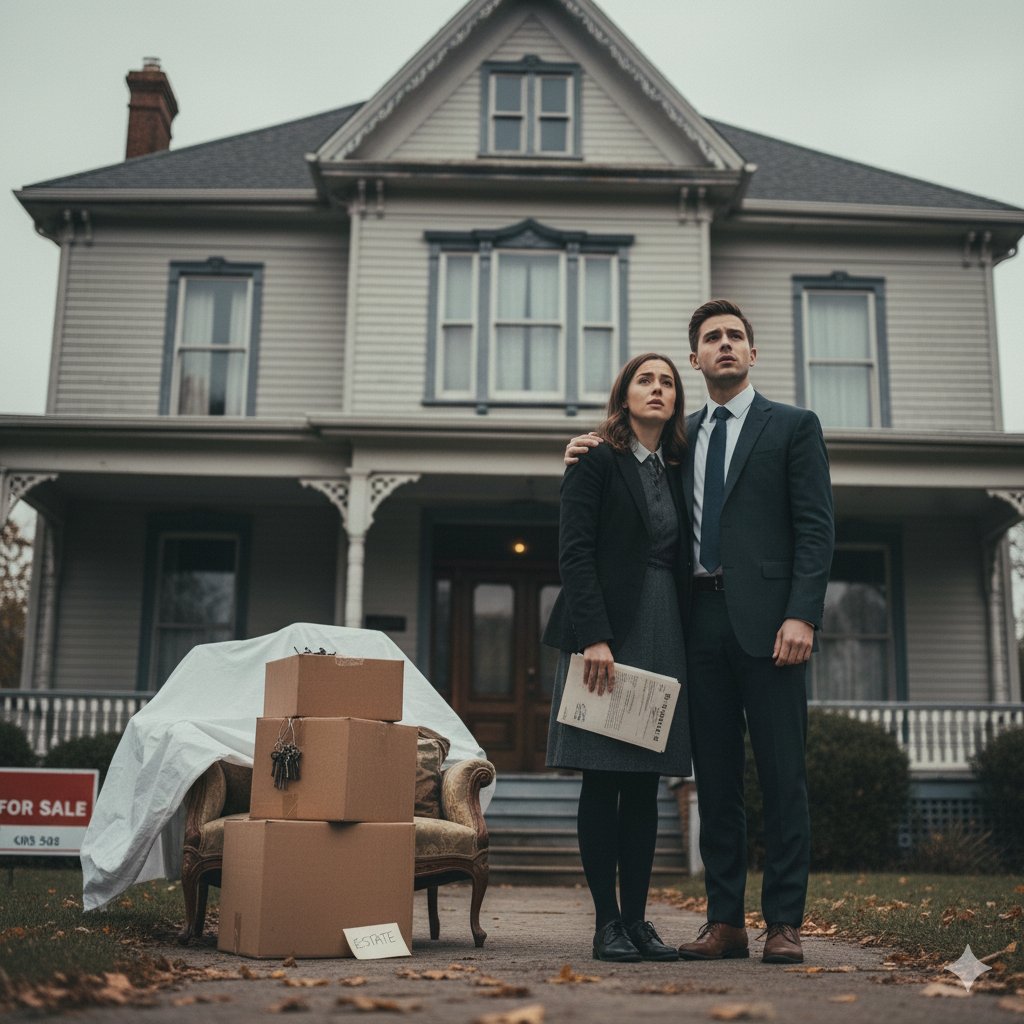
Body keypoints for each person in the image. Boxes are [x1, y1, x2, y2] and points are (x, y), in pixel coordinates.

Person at [565, 299, 834, 965]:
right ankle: (725, 922)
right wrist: (585, 443)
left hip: (774, 627)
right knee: (713, 783)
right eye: (711, 338)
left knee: (781, 777)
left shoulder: (793, 427)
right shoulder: (678, 440)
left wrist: (802, 613)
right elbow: (625, 480)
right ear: (695, 358)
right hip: (695, 624)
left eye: (735, 337)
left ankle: (782, 923)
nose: (723, 346)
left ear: (751, 352)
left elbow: (816, 526)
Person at [543, 352, 693, 964]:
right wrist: (595, 637)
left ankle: (636, 921)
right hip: (604, 631)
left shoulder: (680, 468)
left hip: (667, 628)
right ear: (623, 394)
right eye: (645, 380)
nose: (657, 389)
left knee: (646, 785)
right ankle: (606, 924)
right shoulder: (595, 459)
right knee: (603, 780)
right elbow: (575, 553)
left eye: (667, 382)